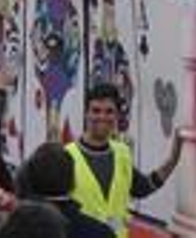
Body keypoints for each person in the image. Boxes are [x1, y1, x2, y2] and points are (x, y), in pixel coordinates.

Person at [64, 85, 184, 238]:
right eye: (96, 110)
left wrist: (173, 159)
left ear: (117, 116)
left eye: (109, 111)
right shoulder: (66, 156)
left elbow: (143, 187)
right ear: (86, 113)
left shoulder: (122, 153)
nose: (102, 117)